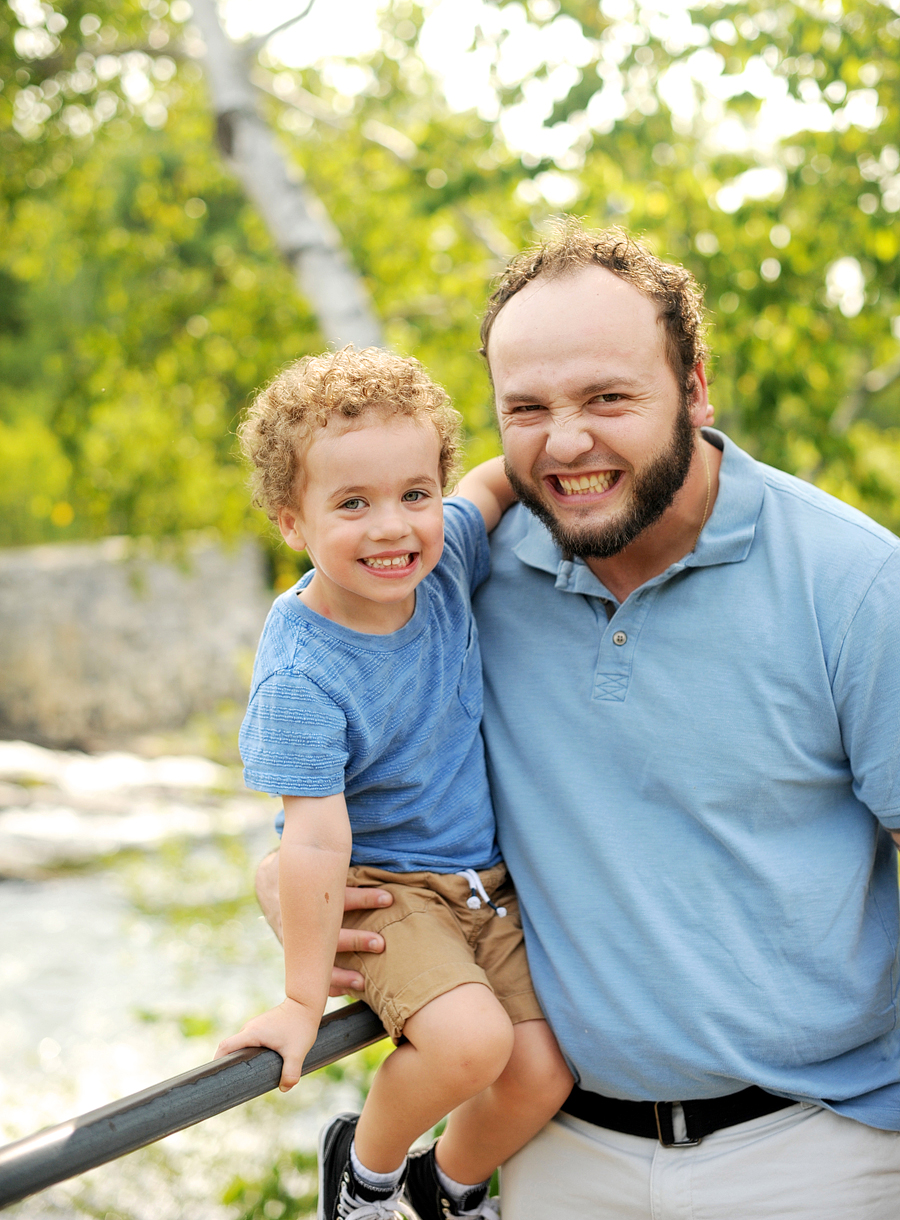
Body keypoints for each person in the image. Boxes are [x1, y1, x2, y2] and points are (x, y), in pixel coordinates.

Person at [257, 221, 900, 1218]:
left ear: (693, 389)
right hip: (553, 1151)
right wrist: (288, 880)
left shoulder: (854, 582)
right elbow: (352, 737)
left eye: (608, 396)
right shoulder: (454, 575)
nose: (566, 439)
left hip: (819, 1146)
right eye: (528, 407)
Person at [215, 347, 572, 1220]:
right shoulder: (303, 672)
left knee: (542, 1071)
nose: (393, 528)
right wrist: (303, 1001)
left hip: (482, 885)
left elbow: (489, 486)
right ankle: (364, 1176)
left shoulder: (444, 551)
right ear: (289, 519)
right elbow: (312, 840)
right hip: (386, 888)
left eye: (414, 494)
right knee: (471, 1044)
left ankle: (445, 1189)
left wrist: (550, 458)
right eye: (352, 504)